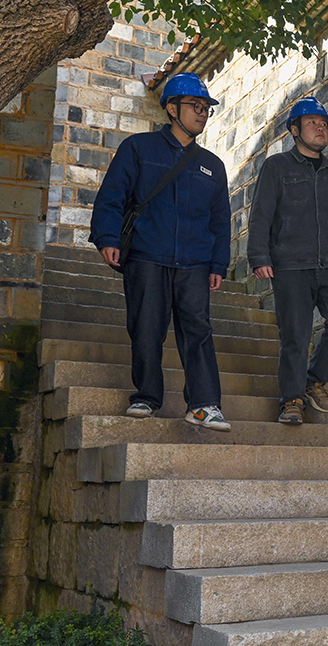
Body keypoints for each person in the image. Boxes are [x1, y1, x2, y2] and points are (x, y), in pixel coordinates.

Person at [89, 72, 233, 431]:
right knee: (146, 328)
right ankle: (146, 397)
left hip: (195, 262)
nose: (202, 113)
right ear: (171, 108)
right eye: (195, 106)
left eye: (206, 108)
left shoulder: (212, 166)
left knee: (198, 330)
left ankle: (204, 404)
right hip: (147, 254)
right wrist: (107, 238)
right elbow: (112, 196)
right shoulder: (138, 149)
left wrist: (218, 262)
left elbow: (220, 220)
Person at [247, 95, 328, 425]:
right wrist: (258, 256)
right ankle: (292, 399)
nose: (320, 127)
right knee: (295, 334)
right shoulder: (276, 166)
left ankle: (314, 379)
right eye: (312, 122)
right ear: (294, 130)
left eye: (323, 123)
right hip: (291, 265)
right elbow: (261, 215)